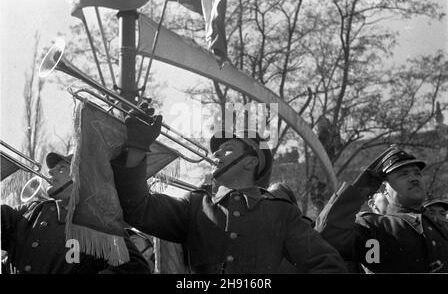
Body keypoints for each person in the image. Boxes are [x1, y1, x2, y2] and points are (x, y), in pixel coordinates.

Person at [110, 108, 348, 273]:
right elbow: (138, 209)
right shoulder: (195, 205)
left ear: (250, 161)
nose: (216, 154)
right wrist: (137, 147)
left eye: (228, 149)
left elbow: (327, 264)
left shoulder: (281, 213)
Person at [1, 151, 150, 274]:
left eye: (62, 168)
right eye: (53, 169)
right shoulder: (32, 209)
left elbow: (135, 268)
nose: (51, 171)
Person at [315, 145, 448, 273]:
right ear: (384, 188)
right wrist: (364, 185)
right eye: (403, 174)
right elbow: (327, 235)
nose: (413, 178)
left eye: (417, 173)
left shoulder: (439, 226)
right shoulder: (373, 228)